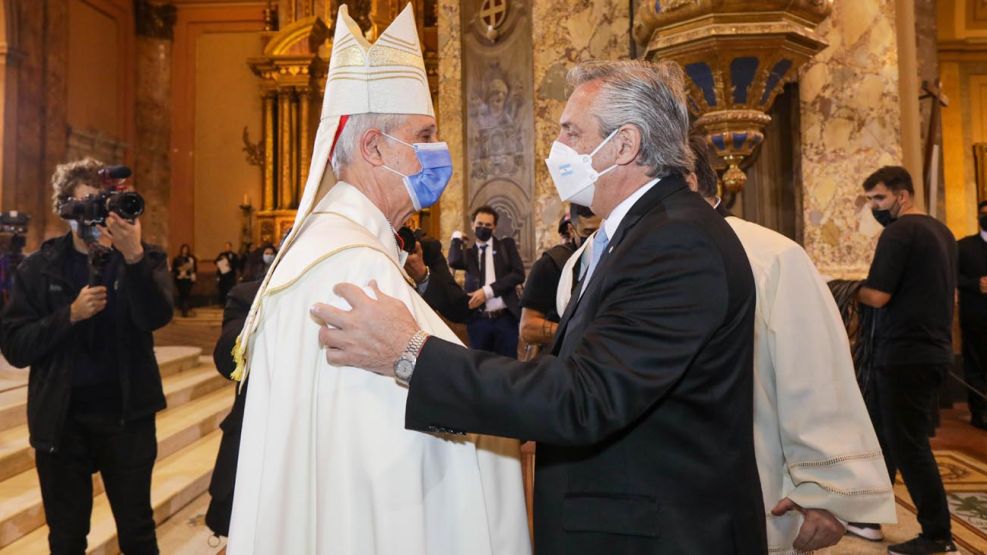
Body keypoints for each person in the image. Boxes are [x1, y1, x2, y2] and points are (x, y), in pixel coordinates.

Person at [313, 59, 768, 553]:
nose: (558, 150)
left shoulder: (676, 239)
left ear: (625, 144)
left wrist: (409, 351)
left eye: (572, 133)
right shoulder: (644, 230)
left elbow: (585, 397)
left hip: (660, 535)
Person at [226, 5, 530, 554]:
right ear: (372, 148)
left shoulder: (334, 248)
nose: (438, 150)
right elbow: (396, 461)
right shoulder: (353, 267)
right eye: (425, 134)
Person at [683, 135, 896, 553]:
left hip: (754, 488)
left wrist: (827, 490)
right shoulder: (615, 254)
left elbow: (815, 375)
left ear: (688, 180)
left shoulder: (772, 255)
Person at [0, 157, 173, 554]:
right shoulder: (39, 269)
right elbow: (15, 345)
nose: (99, 214)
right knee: (65, 537)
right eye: (89, 204)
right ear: (66, 209)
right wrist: (69, 316)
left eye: (105, 203)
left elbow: (155, 317)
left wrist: (133, 258)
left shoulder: (145, 258)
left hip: (127, 418)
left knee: (137, 533)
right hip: (62, 423)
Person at [857, 166, 958, 554]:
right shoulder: (942, 232)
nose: (874, 207)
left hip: (904, 354)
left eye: (879, 199)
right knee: (886, 436)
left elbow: (877, 296)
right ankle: (868, 516)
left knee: (909, 445)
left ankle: (937, 534)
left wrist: (846, 292)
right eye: (870, 201)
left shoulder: (899, 232)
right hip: (931, 350)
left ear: (902, 195)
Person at [518, 204, 599, 360]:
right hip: (560, 362)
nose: (595, 239)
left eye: (600, 231)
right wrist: (577, 332)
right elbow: (527, 329)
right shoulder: (551, 264)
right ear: (571, 229)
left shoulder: (615, 258)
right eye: (588, 232)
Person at [448, 205, 525, 357]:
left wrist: (487, 291)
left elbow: (518, 274)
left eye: (488, 225)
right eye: (480, 224)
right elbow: (453, 261)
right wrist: (456, 237)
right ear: (473, 225)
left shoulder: (505, 246)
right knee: (480, 368)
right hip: (478, 321)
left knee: (508, 368)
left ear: (494, 227)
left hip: (505, 320)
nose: (483, 228)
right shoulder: (469, 254)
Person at [958, 200, 987, 430]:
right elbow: (952, 277)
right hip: (976, 317)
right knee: (976, 364)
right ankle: (980, 412)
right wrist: (975, 283)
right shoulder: (964, 246)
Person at [172, 243, 196, 317]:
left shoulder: (191, 258)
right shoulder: (177, 258)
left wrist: (192, 273)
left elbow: (194, 268)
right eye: (183, 249)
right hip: (180, 278)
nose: (185, 250)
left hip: (188, 278)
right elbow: (174, 268)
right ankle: (183, 309)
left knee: (186, 294)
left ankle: (185, 310)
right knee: (182, 294)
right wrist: (179, 270)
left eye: (186, 249)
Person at [214, 241, 239, 305]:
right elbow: (215, 262)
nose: (227, 248)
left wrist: (229, 264)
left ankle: (230, 303)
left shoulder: (234, 255)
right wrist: (221, 260)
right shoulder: (222, 254)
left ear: (231, 247)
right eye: (226, 247)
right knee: (222, 289)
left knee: (230, 289)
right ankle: (222, 303)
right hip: (222, 276)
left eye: (228, 247)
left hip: (230, 276)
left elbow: (236, 264)